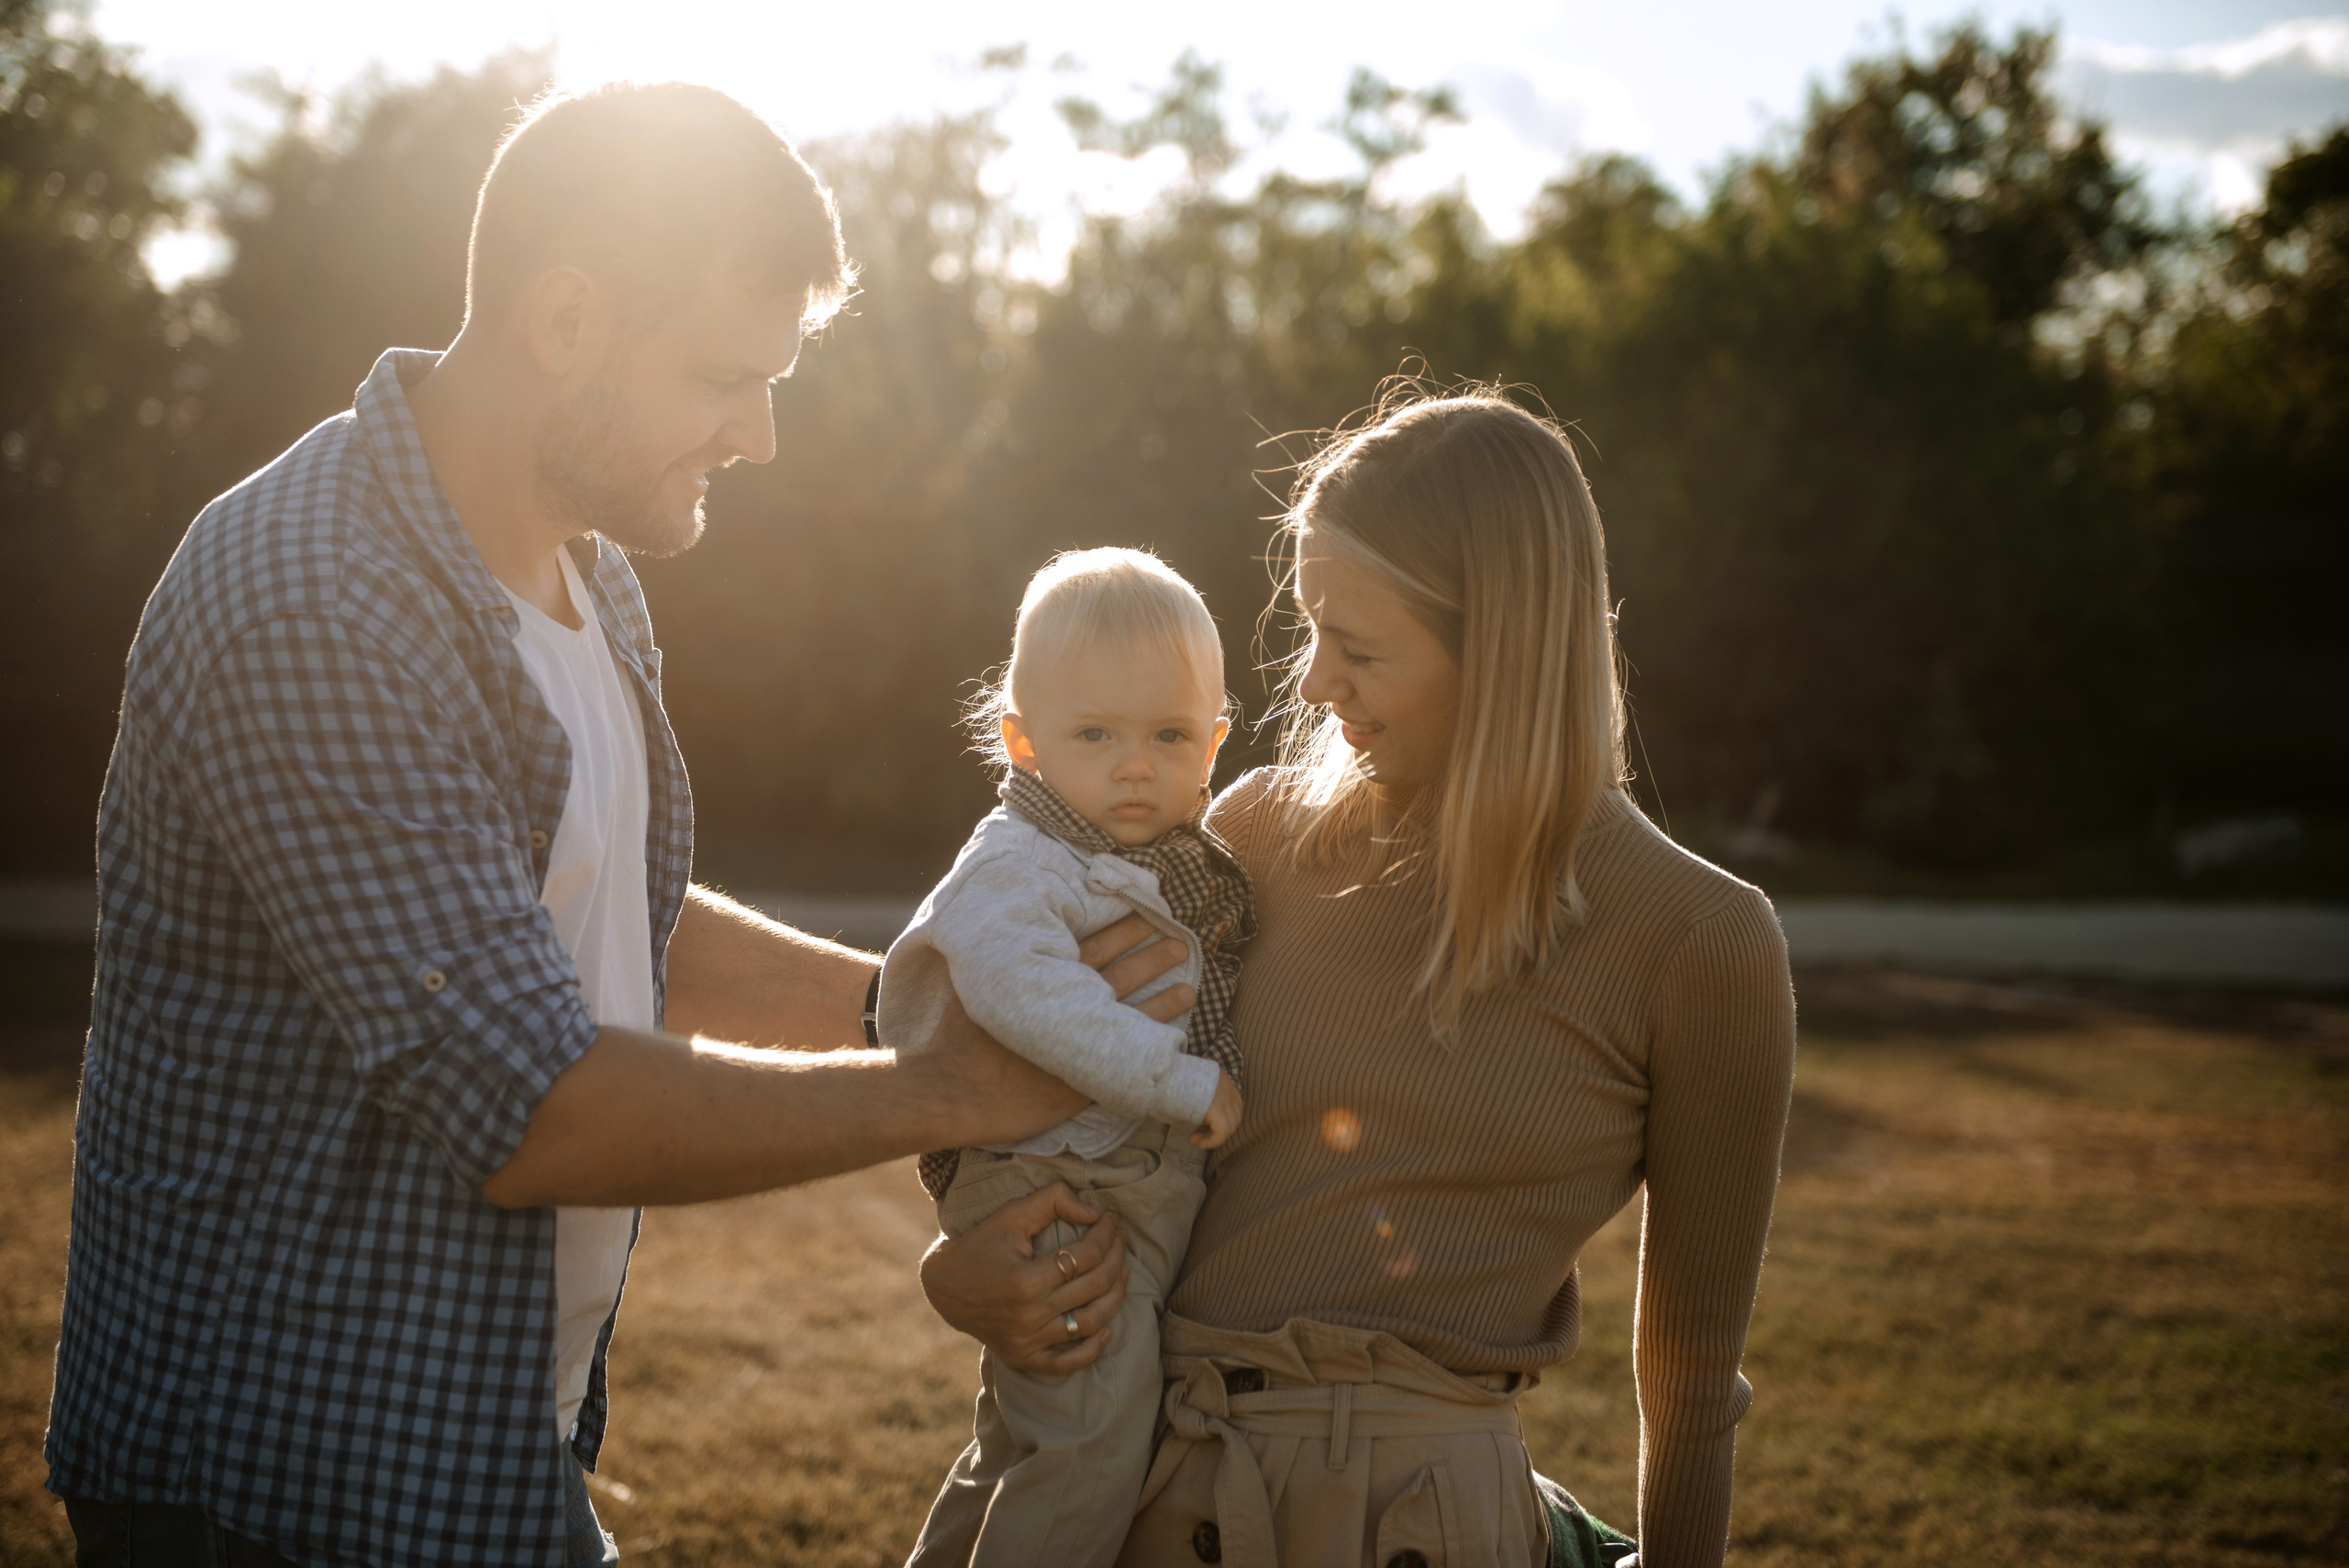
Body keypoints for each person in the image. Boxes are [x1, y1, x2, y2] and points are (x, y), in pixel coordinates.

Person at [44, 82, 1161, 1568]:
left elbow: (605, 902)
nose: (759, 436)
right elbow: (533, 1103)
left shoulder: (587, 567)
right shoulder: (314, 597)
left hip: (483, 1436)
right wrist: (952, 1086)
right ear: (564, 320)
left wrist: (907, 1000)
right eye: (724, 375)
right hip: (275, 1478)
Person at [919, 387, 1798, 1568]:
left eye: (1361, 646)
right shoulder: (1245, 843)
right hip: (1149, 1489)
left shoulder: (1702, 940)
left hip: (1420, 1527)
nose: (1317, 681)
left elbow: (1691, 1381)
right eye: (1312, 627)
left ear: (1505, 648)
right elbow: (1032, 1067)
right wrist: (961, 1261)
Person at [894, 549, 1252, 1568]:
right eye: (1094, 733)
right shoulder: (1019, 860)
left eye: (1167, 734)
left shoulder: (1155, 850)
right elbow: (1033, 1000)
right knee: (1091, 1444)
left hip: (1098, 1175)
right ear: (1023, 739)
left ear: (1213, 744)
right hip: (1050, 1184)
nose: (1134, 763)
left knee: (1026, 1433)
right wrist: (1181, 1080)